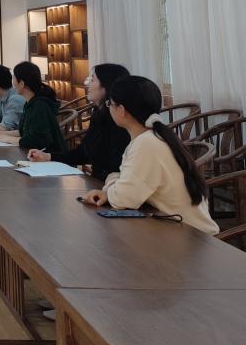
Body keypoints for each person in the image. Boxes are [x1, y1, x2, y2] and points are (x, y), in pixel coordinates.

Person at [82, 75, 218, 235]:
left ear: (122, 110)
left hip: (192, 237)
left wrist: (110, 182)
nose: (108, 108)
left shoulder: (146, 143)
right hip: (177, 229)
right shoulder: (151, 136)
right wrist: (114, 185)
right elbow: (128, 186)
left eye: (109, 103)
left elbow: (124, 198)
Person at [28, 63, 131, 180]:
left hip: (108, 186)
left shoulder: (119, 122)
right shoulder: (98, 113)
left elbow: (116, 168)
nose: (87, 84)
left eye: (92, 80)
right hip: (99, 183)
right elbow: (83, 152)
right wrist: (47, 156)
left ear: (106, 86)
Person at [0, 61, 65, 156]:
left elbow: (36, 140)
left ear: (22, 83)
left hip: (49, 157)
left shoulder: (40, 106)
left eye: (14, 78)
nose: (12, 82)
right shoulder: (30, 102)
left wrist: (8, 139)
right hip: (34, 154)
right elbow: (22, 132)